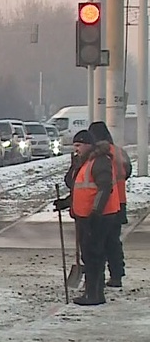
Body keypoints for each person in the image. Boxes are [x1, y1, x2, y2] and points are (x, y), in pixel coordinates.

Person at [54, 129, 120, 305]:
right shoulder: (85, 163)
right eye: (74, 145)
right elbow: (81, 189)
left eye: (78, 145)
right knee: (90, 254)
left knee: (93, 255)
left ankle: (94, 294)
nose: (76, 149)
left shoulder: (99, 161)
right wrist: (66, 202)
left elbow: (104, 188)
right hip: (87, 216)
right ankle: (93, 293)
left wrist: (95, 214)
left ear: (88, 145)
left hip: (99, 217)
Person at [88, 121, 130, 287]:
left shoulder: (98, 154)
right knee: (113, 241)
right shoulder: (119, 152)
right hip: (120, 201)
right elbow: (127, 172)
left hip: (103, 202)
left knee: (98, 241)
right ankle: (116, 275)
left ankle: (96, 276)